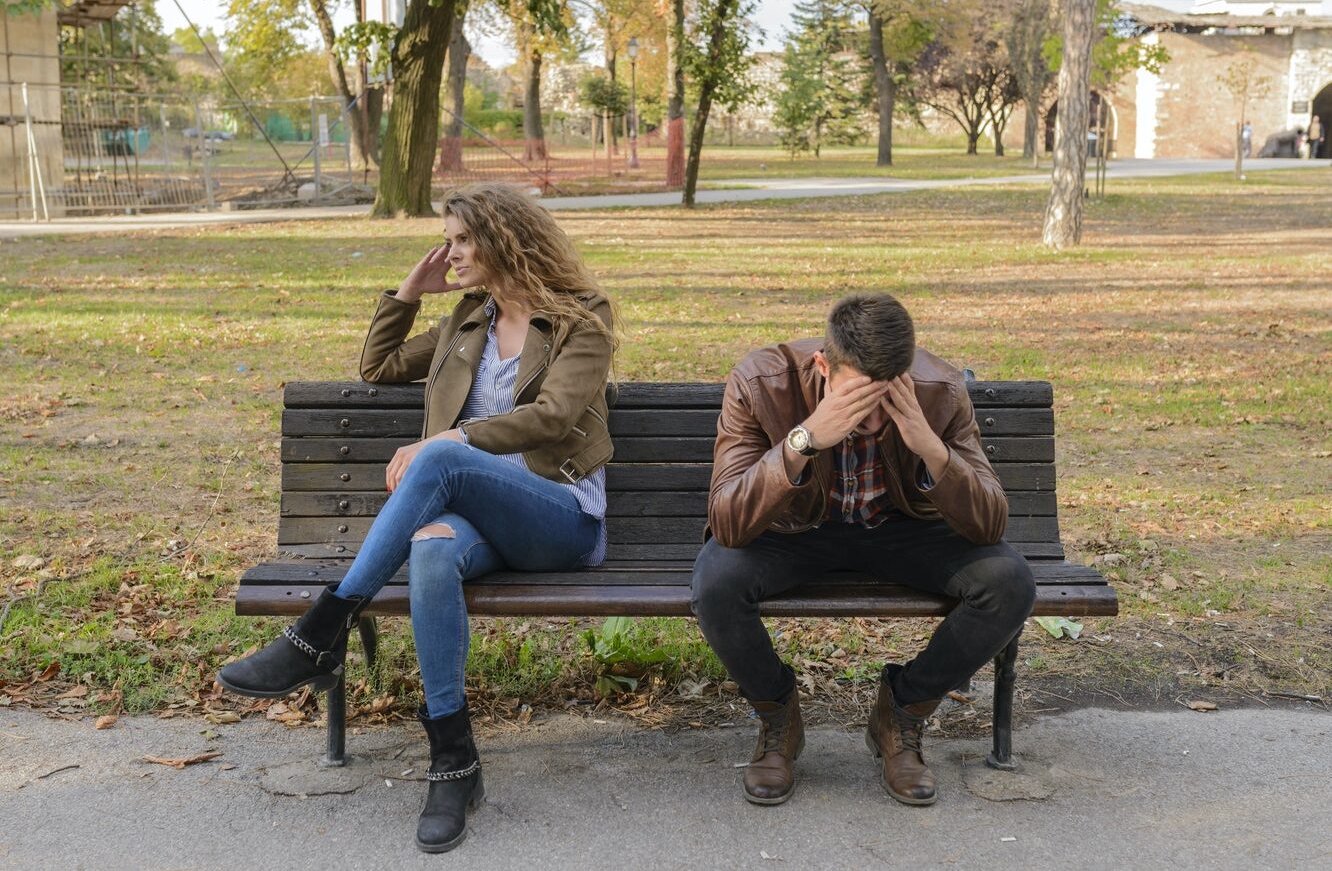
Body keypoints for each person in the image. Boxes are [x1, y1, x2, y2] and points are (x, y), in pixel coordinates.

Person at [218, 183, 617, 853]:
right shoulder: (466, 322)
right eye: (450, 240)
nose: (450, 252)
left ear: (501, 239)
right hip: (473, 517)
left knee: (440, 459)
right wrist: (408, 292)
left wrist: (448, 441)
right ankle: (454, 763)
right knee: (431, 549)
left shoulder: (582, 315)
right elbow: (376, 367)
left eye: (462, 239)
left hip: (559, 515)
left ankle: (322, 629)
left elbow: (553, 417)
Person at [691, 293, 1036, 808]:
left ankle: (903, 711)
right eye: (855, 400)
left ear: (906, 377)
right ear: (824, 366)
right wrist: (802, 442)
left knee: (1009, 582)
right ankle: (778, 715)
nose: (870, 420)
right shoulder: (762, 381)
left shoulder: (938, 389)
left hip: (900, 529)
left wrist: (928, 445)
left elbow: (989, 524)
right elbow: (728, 523)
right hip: (795, 531)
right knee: (715, 581)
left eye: (885, 402)